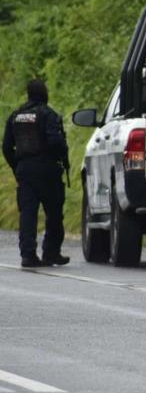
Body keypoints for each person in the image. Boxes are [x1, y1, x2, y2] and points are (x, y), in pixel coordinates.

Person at [2, 79, 70, 267]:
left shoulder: (16, 116)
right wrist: (60, 158)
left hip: (25, 171)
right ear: (44, 93)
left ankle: (28, 255)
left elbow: (7, 147)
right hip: (47, 170)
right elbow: (56, 142)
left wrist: (18, 167)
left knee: (28, 214)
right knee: (54, 213)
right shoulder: (48, 115)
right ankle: (51, 253)